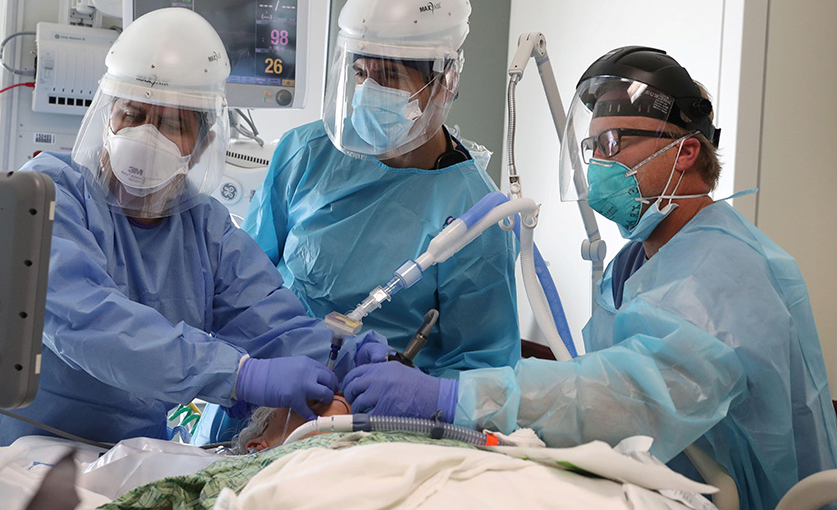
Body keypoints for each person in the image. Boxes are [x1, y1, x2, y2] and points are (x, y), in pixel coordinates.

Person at [341, 46, 837, 509]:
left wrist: (451, 397)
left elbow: (630, 397)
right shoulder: (635, 262)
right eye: (592, 146)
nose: (599, 163)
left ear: (685, 153)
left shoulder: (726, 269)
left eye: (613, 143)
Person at [0, 7, 371, 447]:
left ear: (200, 147)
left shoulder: (205, 231)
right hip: (12, 447)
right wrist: (240, 375)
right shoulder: (49, 194)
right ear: (108, 118)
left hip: (125, 456)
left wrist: (358, 361)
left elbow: (274, 325)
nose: (146, 135)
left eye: (171, 124)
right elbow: (89, 322)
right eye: (133, 113)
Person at [194, 0, 520, 444]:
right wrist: (247, 376)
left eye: (388, 76)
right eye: (361, 72)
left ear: (445, 81)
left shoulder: (476, 215)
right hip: (263, 399)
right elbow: (239, 281)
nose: (368, 92)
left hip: (376, 426)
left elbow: (483, 370)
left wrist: (419, 392)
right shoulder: (306, 153)